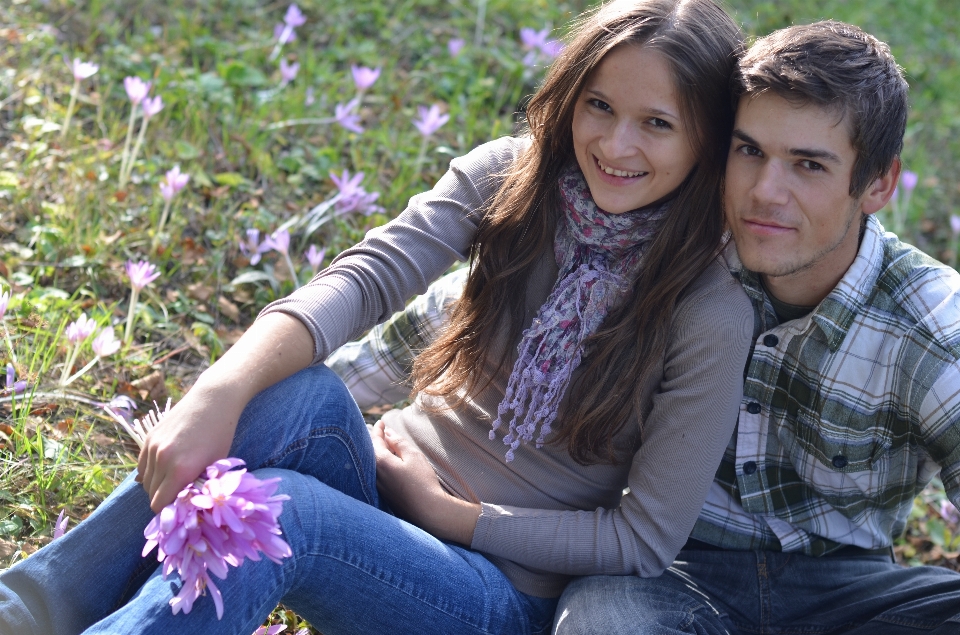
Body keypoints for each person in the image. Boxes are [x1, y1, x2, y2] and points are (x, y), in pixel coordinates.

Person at [0, 1, 755, 633]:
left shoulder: (707, 308)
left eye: (657, 123)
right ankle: (33, 605)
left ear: (707, 140)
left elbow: (645, 535)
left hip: (493, 588)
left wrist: (457, 515)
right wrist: (219, 391)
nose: (615, 143)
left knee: (283, 517)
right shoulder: (515, 179)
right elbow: (367, 277)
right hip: (384, 488)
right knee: (293, 392)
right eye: (600, 105)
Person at [551, 20, 960, 635]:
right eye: (750, 151)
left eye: (808, 166)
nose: (765, 192)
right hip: (668, 569)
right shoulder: (675, 248)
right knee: (602, 621)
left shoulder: (931, 329)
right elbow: (472, 311)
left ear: (878, 183)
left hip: (852, 593)